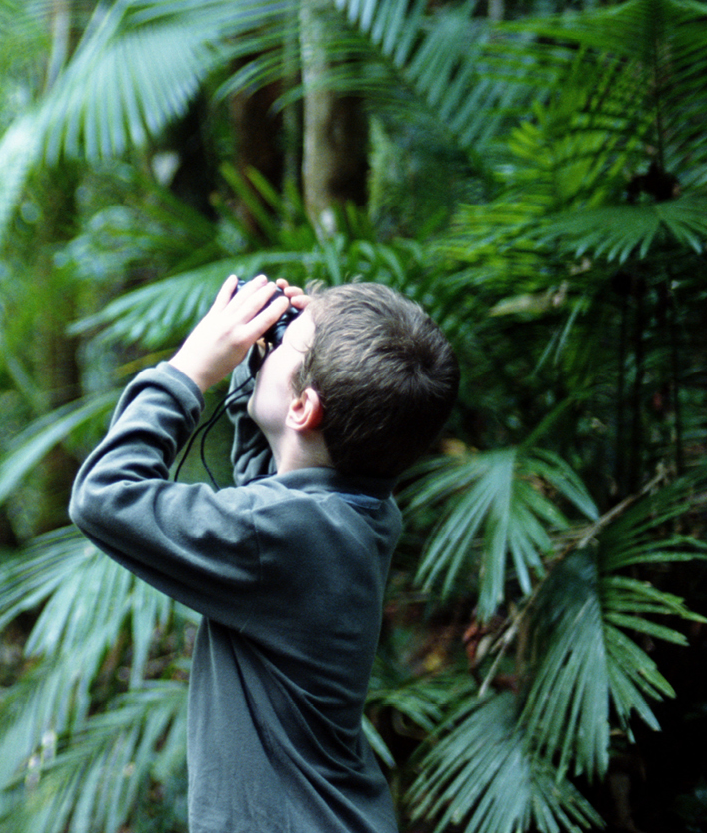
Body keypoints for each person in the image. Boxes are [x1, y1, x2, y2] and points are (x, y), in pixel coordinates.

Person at [67, 274, 459, 833]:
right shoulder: (358, 509)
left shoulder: (286, 536)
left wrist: (188, 371)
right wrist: (268, 360)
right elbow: (271, 481)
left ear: (303, 407)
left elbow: (104, 495)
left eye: (290, 344)